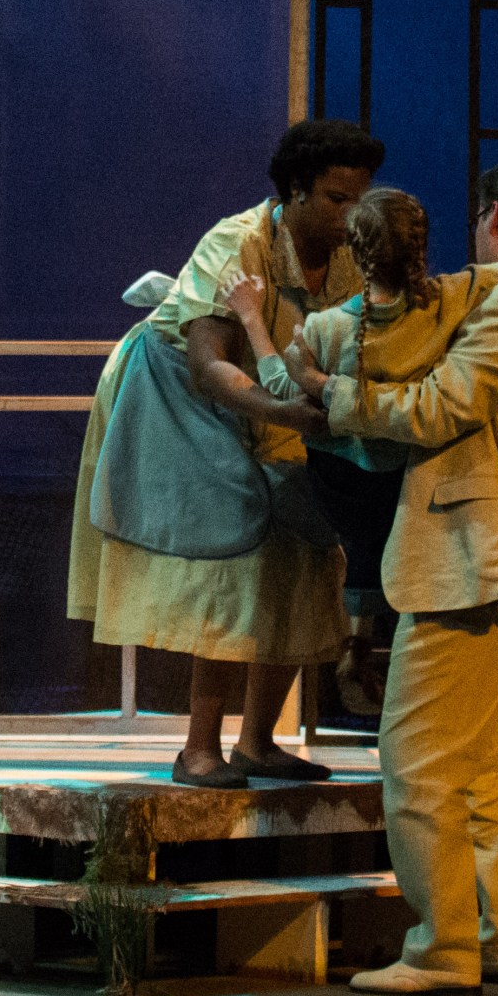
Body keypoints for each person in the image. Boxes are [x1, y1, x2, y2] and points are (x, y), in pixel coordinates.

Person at [285, 160, 498, 996]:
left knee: (415, 758)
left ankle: (442, 947)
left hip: (476, 565)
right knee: (479, 769)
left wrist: (332, 392)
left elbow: (440, 407)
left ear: (494, 216)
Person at [66, 118, 384, 788]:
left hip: (269, 391)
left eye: (360, 199)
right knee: (230, 547)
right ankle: (198, 748)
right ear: (296, 191)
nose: (351, 214)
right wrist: (284, 411)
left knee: (308, 541)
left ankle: (258, 743)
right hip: (180, 393)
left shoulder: (352, 256)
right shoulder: (237, 243)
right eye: (336, 199)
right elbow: (208, 363)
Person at [221, 186, 498, 714]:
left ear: (355, 254)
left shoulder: (325, 328)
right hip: (402, 485)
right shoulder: (447, 305)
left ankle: (349, 642)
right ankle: (378, 650)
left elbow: (281, 388)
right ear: (420, 248)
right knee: (387, 530)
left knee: (292, 508)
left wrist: (251, 317)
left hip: (341, 493)